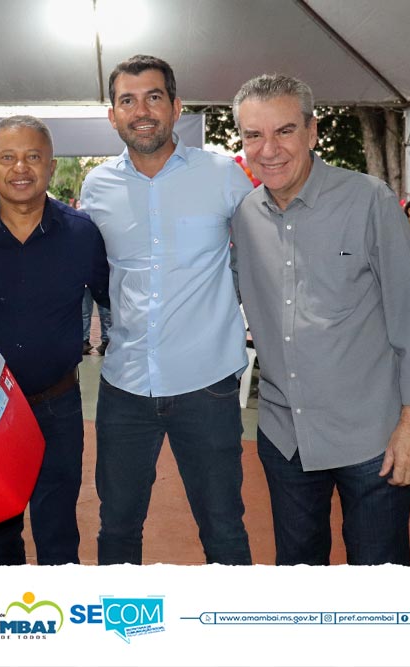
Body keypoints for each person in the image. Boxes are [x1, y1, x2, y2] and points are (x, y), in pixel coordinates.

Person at [230, 73, 410, 566]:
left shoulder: (369, 200)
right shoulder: (244, 216)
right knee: (300, 578)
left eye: (284, 131)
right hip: (286, 437)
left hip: (371, 437)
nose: (269, 149)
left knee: (379, 579)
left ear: (312, 131)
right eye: (253, 135)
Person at [80, 55, 253, 565]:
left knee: (224, 528)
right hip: (124, 385)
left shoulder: (224, 175)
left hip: (209, 383)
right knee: (116, 529)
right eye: (127, 100)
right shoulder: (97, 187)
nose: (142, 111)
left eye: (153, 97)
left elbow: (259, 257)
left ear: (176, 107)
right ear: (112, 115)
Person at [0, 116, 109, 565]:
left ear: (51, 167)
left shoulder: (82, 235)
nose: (21, 167)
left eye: (33, 157)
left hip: (58, 405)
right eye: (8, 157)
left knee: (59, 531)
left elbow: (116, 299)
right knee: (0, 532)